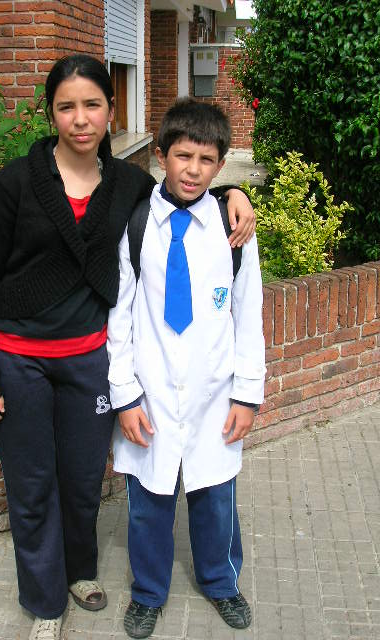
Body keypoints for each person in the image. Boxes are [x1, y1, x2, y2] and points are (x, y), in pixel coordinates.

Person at [0, 54, 256, 640]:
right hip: (19, 356)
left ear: (111, 110)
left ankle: (85, 572)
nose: (80, 118)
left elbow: (190, 183)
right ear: (51, 113)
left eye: (92, 104)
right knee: (33, 483)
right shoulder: (18, 182)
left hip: (86, 358)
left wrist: (237, 192)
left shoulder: (129, 186)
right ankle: (46, 601)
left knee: (80, 480)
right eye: (66, 106)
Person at [107, 98, 265, 639]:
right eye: (182, 156)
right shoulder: (135, 227)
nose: (192, 170)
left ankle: (221, 583)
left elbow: (249, 316)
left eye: (205, 160)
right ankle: (148, 593)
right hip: (149, 394)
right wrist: (124, 396)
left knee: (215, 498)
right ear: (159, 156)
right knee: (148, 505)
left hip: (214, 395)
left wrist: (247, 395)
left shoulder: (234, 230)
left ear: (221, 166)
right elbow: (120, 317)